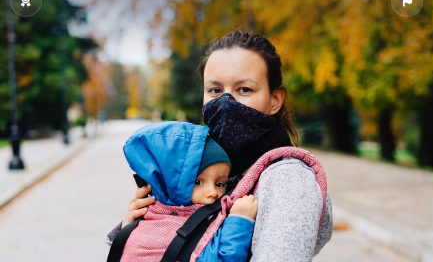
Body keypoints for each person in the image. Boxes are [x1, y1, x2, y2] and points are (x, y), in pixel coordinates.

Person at [107, 30, 333, 262]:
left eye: (244, 89)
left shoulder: (288, 179)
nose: (226, 103)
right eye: (215, 90)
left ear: (275, 99)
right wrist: (138, 227)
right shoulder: (203, 163)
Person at [117, 121, 258, 262]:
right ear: (170, 183)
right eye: (198, 182)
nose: (213, 192)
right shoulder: (156, 231)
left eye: (220, 184)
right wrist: (240, 221)